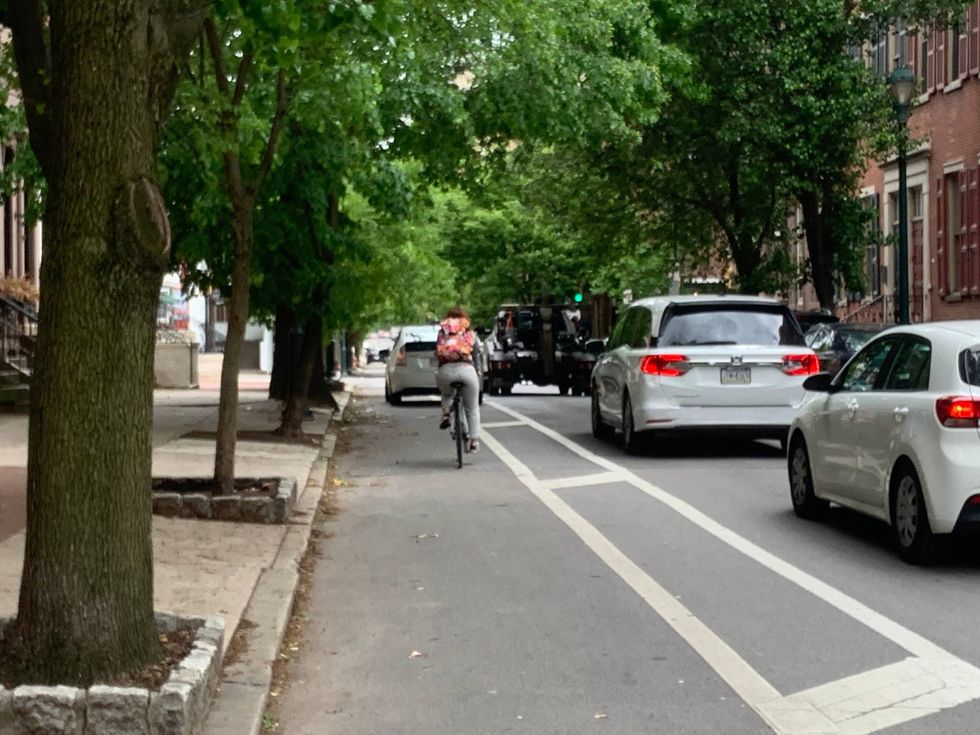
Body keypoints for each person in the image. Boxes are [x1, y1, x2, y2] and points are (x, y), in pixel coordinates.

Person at [435, 307, 482, 453]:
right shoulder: (469, 332)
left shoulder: (443, 332)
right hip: (467, 370)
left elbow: (437, 352)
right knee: (472, 408)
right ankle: (474, 441)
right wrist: (479, 370)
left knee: (447, 393)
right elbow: (476, 355)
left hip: (445, 370)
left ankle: (446, 413)